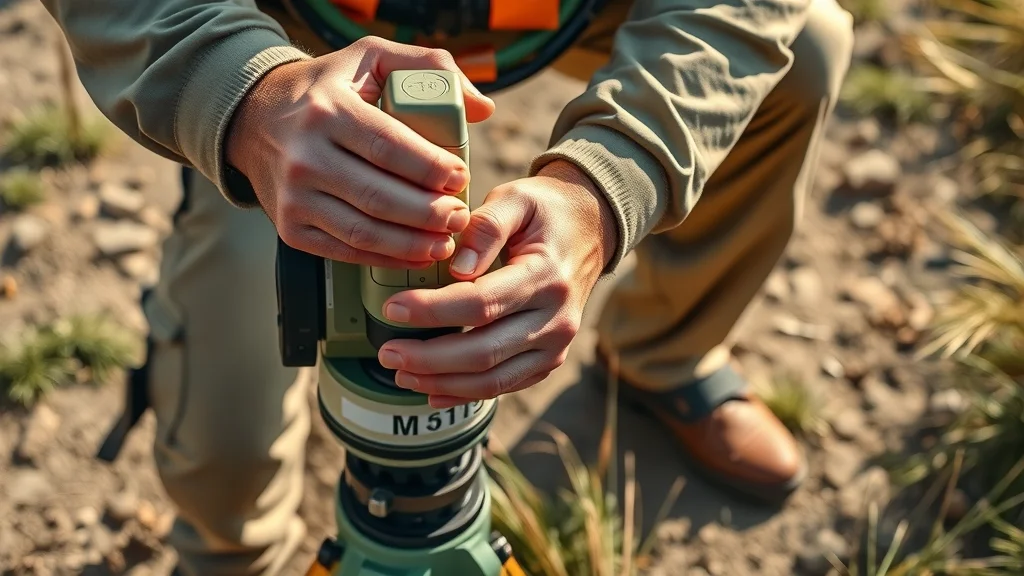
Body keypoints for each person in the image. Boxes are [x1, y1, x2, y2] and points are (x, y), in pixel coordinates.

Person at [41, 0, 854, 574]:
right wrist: (243, 97)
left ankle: (662, 354)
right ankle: (228, 554)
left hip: (559, 10)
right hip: (280, 31)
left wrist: (609, 184)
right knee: (229, 438)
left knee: (804, 47)